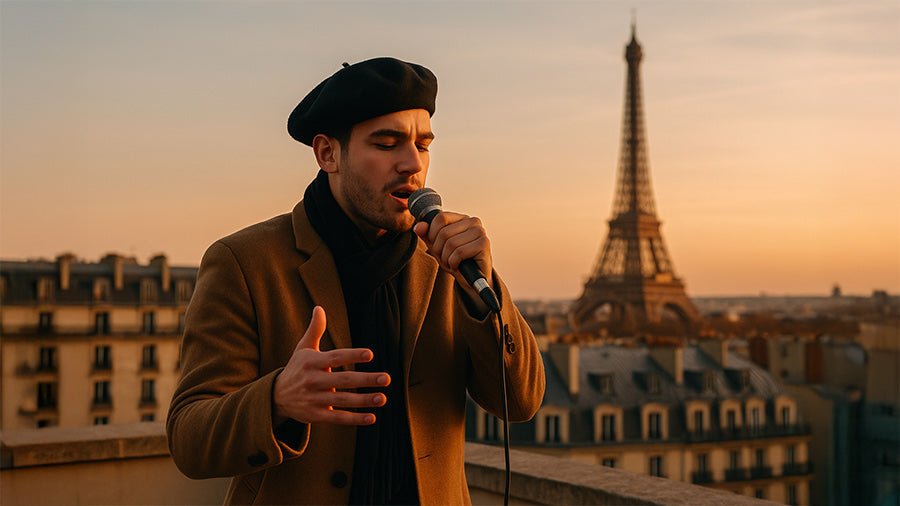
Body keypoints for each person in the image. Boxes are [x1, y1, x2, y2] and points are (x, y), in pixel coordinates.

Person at [166, 57, 545, 505]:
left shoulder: (447, 260)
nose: (412, 164)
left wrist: (483, 289)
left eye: (423, 145)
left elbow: (520, 402)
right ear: (328, 154)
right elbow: (189, 439)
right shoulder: (244, 262)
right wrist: (276, 399)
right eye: (386, 144)